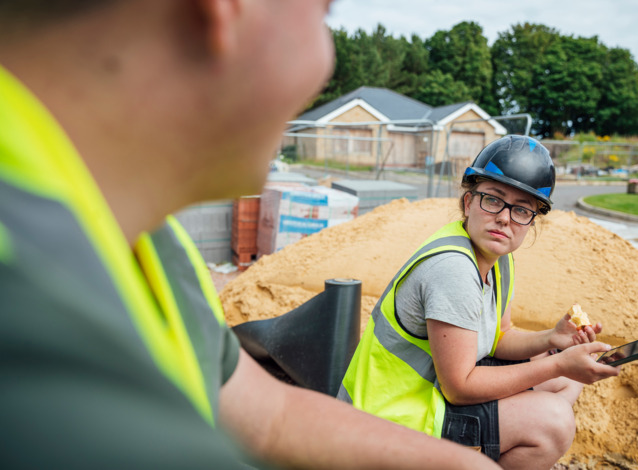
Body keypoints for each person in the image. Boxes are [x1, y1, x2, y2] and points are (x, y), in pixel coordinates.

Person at [0, 1, 499, 469]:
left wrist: (462, 463)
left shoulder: (144, 240)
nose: (326, 63)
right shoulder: (34, 323)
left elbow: (269, 417)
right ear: (229, 8)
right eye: (322, 13)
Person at [338, 135, 621, 469]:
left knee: (565, 380)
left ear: (532, 221)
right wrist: (558, 363)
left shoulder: (497, 258)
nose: (504, 218)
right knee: (553, 421)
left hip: (426, 397)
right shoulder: (453, 269)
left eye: (521, 210)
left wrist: (551, 339)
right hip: (388, 421)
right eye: (493, 200)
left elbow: (499, 337)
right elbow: (459, 387)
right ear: (468, 201)